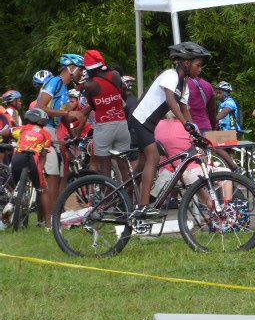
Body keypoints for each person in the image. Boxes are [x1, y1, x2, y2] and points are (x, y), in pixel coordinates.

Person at [131, 41, 209, 218]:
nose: (200, 69)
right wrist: (185, 124)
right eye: (198, 65)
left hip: (149, 125)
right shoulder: (171, 75)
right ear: (186, 63)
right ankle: (144, 206)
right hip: (140, 120)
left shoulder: (184, 84)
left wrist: (194, 132)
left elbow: (184, 108)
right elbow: (170, 100)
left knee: (144, 164)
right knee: (154, 157)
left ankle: (126, 192)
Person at [36, 53, 85, 227]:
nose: (81, 74)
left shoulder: (64, 88)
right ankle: (49, 223)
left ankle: (54, 219)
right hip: (45, 131)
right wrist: (67, 113)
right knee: (52, 179)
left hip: (55, 131)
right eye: (80, 70)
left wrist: (82, 114)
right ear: (72, 68)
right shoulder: (55, 82)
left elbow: (65, 118)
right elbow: (40, 107)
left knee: (58, 179)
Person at [81, 50, 130, 179]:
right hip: (122, 124)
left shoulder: (90, 85)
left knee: (105, 166)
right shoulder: (115, 75)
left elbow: (93, 106)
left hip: (104, 127)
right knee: (123, 164)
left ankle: (107, 198)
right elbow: (122, 93)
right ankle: (130, 197)